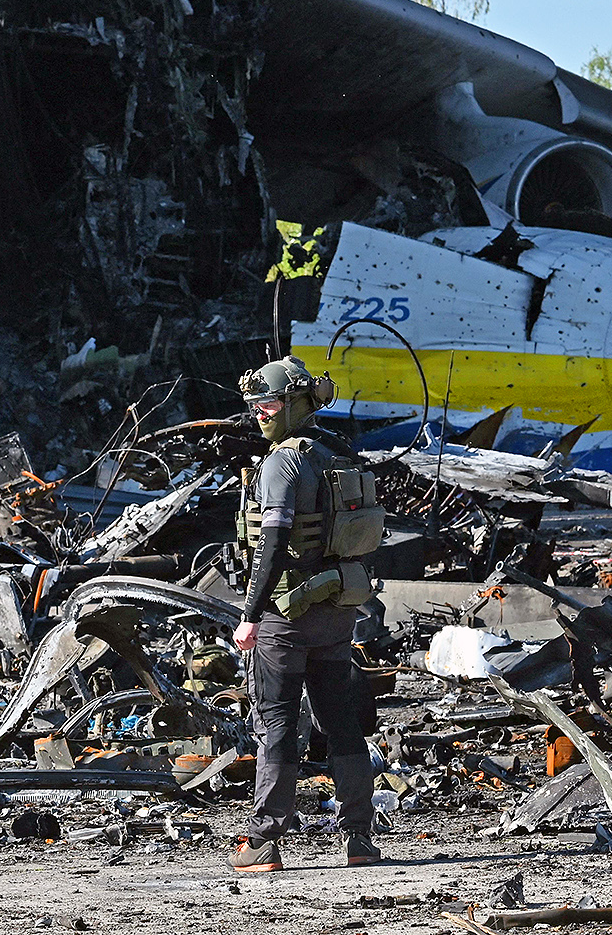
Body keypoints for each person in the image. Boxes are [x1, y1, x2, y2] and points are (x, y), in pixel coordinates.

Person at [228, 356, 382, 873]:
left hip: (285, 618)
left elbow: (270, 545)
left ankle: (265, 841)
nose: (259, 414)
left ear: (295, 404)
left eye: (267, 404)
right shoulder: (336, 454)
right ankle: (359, 837)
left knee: (275, 721)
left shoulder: (281, 463)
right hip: (336, 610)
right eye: (253, 406)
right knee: (340, 719)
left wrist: (250, 614)